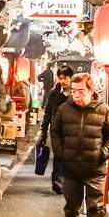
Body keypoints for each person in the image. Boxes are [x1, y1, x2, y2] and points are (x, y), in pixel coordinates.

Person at [50, 72, 109, 217]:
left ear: (91, 90)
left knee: (95, 209)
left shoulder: (104, 110)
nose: (76, 95)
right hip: (71, 169)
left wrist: (103, 153)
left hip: (95, 170)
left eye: (81, 91)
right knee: (72, 208)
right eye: (73, 91)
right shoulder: (64, 110)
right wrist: (61, 153)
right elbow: (55, 132)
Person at [39, 65, 73, 194]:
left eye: (66, 78)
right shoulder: (54, 93)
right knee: (59, 155)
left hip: (72, 130)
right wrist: (43, 131)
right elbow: (48, 112)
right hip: (57, 130)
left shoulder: (76, 93)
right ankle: (57, 181)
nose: (63, 81)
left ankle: (67, 181)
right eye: (60, 78)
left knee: (69, 156)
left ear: (71, 77)